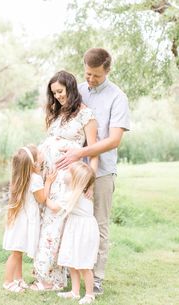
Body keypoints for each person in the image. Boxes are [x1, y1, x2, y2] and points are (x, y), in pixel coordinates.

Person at [56, 48, 130, 295]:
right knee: (70, 220)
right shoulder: (77, 89)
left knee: (98, 225)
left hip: (102, 172)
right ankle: (72, 273)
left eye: (96, 76)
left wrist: (81, 153)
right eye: (87, 74)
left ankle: (96, 278)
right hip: (71, 172)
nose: (90, 80)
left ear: (107, 71)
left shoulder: (117, 97)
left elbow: (114, 140)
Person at [31, 70, 98, 291]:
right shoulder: (59, 114)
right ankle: (50, 277)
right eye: (54, 93)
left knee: (55, 226)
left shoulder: (86, 115)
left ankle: (50, 281)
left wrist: (90, 182)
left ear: (70, 87)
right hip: (49, 177)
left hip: (66, 179)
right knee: (46, 225)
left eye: (60, 91)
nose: (58, 96)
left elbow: (93, 152)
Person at [2, 145, 57, 292]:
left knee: (18, 251)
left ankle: (18, 279)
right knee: (15, 253)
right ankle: (8, 282)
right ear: (33, 163)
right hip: (24, 221)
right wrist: (49, 182)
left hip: (19, 219)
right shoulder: (35, 179)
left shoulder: (21, 176)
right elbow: (41, 199)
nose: (42, 152)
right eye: (39, 153)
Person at [46, 161, 99, 304]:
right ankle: (74, 292)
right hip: (76, 227)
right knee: (71, 260)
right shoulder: (75, 191)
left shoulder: (72, 195)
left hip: (83, 231)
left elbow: (53, 207)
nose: (65, 173)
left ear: (75, 179)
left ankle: (89, 294)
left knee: (84, 264)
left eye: (69, 172)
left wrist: (45, 188)